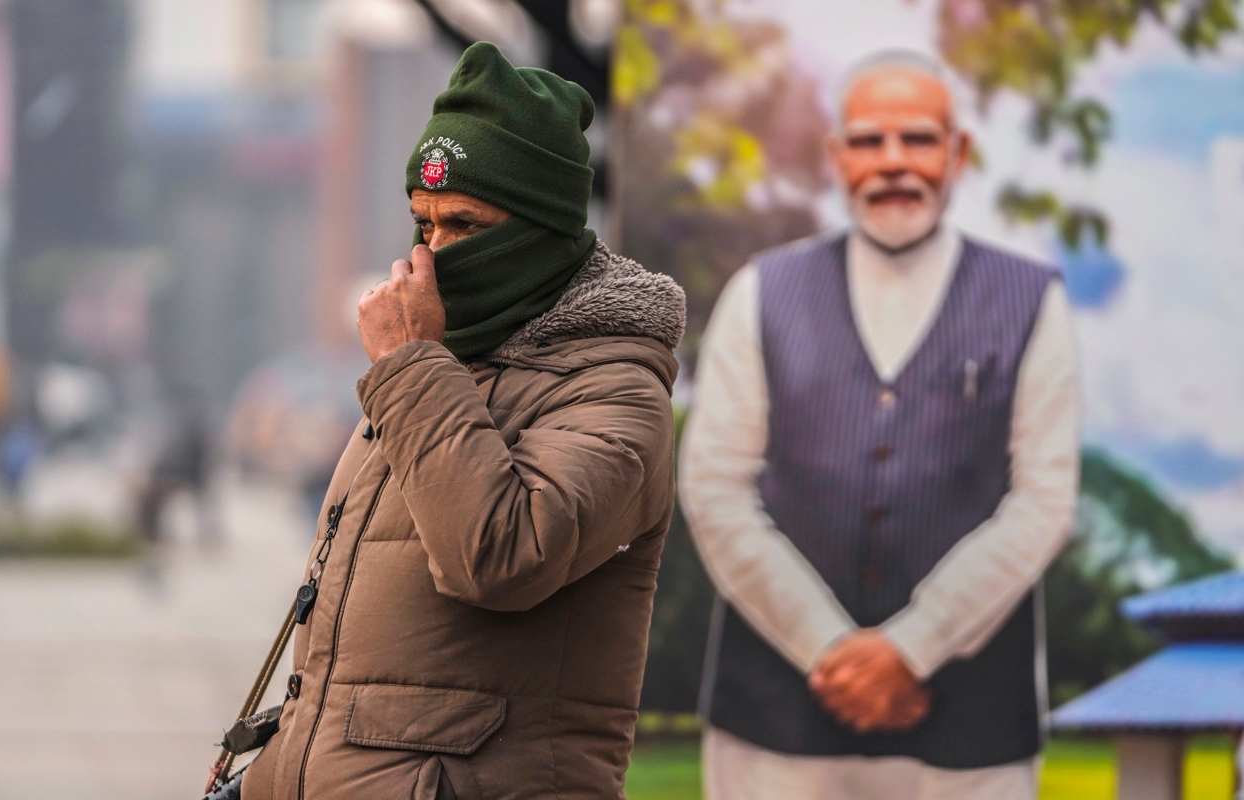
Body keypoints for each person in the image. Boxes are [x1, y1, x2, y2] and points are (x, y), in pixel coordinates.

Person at [241, 42, 685, 800]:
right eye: (424, 224)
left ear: (542, 230)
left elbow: (501, 560)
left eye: (467, 226)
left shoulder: (615, 390)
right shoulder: (442, 365)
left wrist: (412, 366)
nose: (435, 255)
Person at [681, 51, 1080, 800]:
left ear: (957, 152)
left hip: (972, 729)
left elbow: (1043, 501)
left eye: (917, 138)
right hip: (772, 724)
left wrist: (913, 649)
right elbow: (715, 486)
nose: (893, 161)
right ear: (837, 158)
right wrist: (828, 648)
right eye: (868, 141)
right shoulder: (760, 291)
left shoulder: (1033, 298)